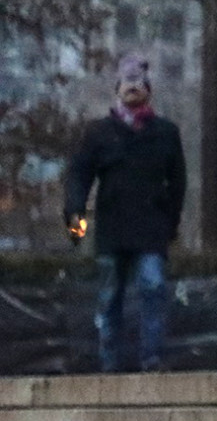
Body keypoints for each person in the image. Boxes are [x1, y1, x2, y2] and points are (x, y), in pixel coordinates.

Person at [65, 55, 187, 373]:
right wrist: (75, 218)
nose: (133, 88)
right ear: (117, 89)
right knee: (109, 297)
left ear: (149, 90)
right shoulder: (99, 133)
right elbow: (79, 175)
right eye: (127, 82)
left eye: (139, 83)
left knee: (153, 287)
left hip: (151, 229)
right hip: (112, 230)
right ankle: (109, 364)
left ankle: (151, 359)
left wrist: (170, 224)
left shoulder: (165, 133)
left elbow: (178, 182)